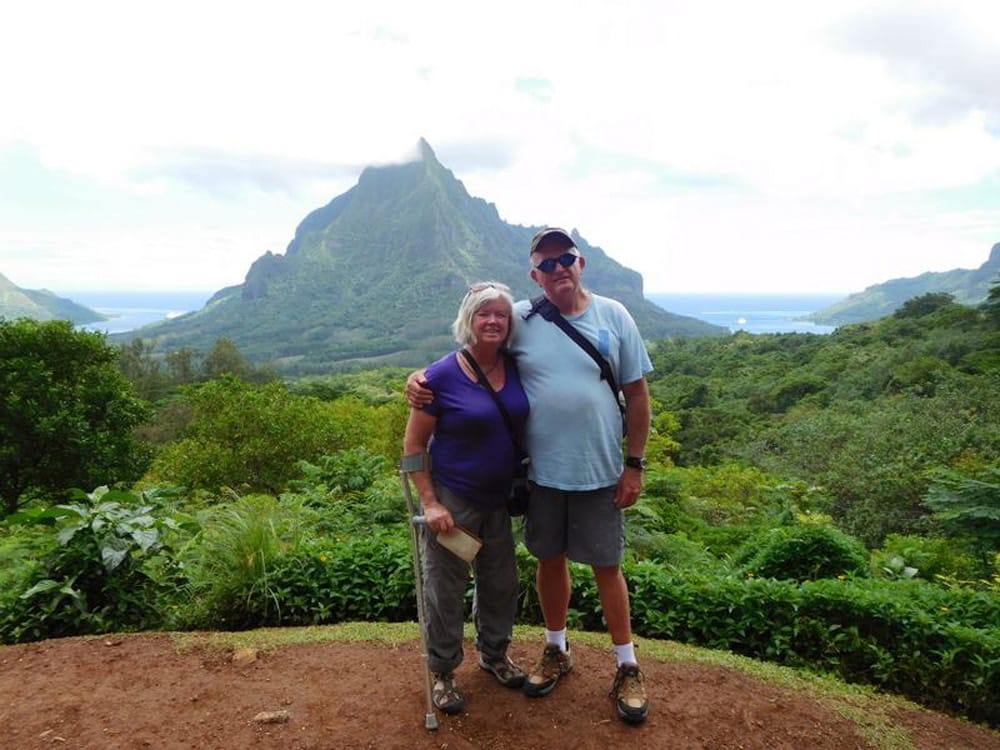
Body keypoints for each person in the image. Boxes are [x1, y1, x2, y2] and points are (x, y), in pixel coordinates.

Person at [408, 228, 653, 724]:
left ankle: (619, 664)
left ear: (581, 262)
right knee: (502, 573)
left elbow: (639, 394)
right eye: (547, 263)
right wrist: (417, 380)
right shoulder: (506, 328)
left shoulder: (606, 317)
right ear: (534, 274)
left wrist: (635, 464)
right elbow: (419, 437)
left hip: (569, 479)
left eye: (566, 258)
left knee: (570, 571)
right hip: (506, 487)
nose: (557, 268)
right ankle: (489, 662)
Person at [402, 281, 529, 716]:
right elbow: (413, 448)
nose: (493, 321)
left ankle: (494, 656)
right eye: (483, 314)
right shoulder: (439, 376)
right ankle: (442, 670)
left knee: (501, 583)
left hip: (498, 499)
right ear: (468, 321)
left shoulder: (516, 366)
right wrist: (430, 501)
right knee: (444, 588)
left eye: (500, 315)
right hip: (454, 501)